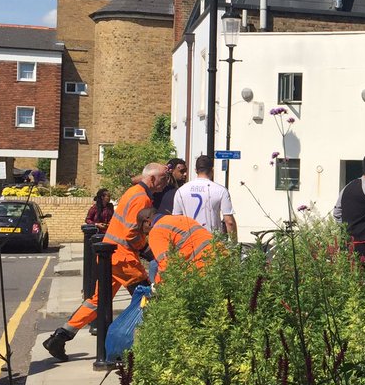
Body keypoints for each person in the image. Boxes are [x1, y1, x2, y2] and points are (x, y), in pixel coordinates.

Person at [43, 162, 168, 361]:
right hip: (124, 258)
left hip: (111, 254)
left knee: (97, 301)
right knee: (147, 297)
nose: (165, 183)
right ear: (152, 179)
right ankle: (155, 346)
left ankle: (60, 336)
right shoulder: (142, 199)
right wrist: (149, 252)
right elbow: (131, 233)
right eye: (163, 179)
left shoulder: (133, 191)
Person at [139, 206, 225, 286]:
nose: (146, 235)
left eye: (145, 232)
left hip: (204, 267)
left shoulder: (155, 232)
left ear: (147, 222)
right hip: (223, 257)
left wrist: (158, 286)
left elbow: (165, 265)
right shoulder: (181, 218)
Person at [172, 155, 237, 241]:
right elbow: (229, 222)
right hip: (212, 242)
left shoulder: (181, 191)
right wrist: (233, 245)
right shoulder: (220, 190)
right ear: (212, 170)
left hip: (189, 241)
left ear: (196, 170)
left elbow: (176, 220)